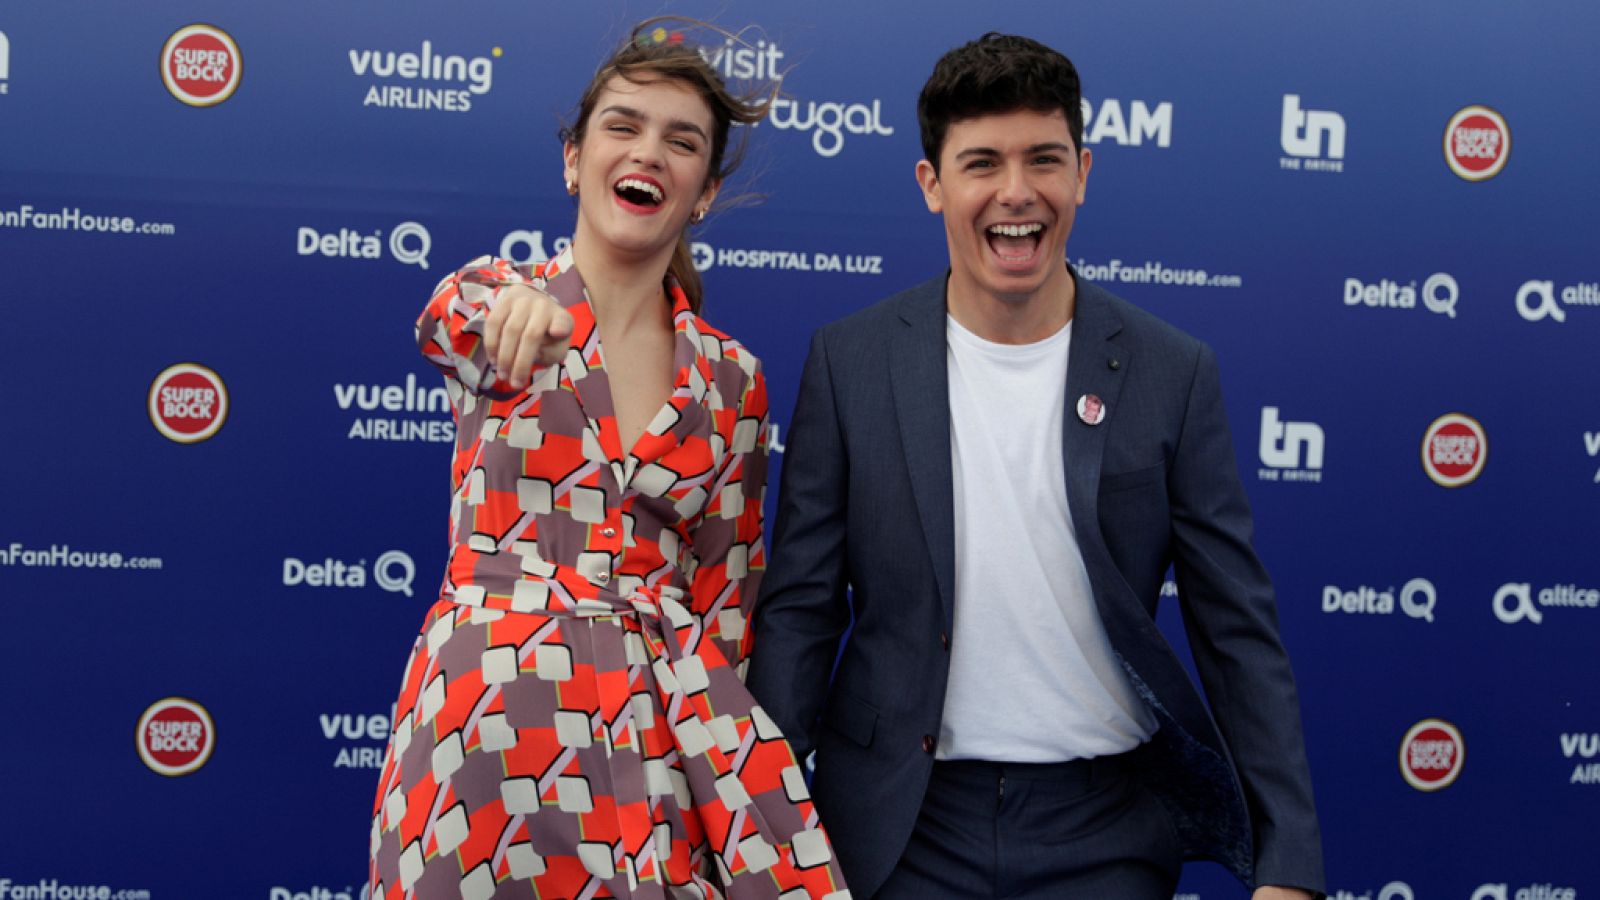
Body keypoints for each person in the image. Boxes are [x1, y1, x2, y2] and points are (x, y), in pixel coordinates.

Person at [746, 33, 1325, 899]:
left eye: (1044, 160)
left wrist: (1289, 865)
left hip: (1106, 830)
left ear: (1083, 173)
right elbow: (799, 614)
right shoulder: (849, 362)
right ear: (931, 183)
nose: (1016, 193)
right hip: (897, 826)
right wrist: (762, 831)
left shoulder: (1174, 373)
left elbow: (1235, 629)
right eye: (981, 162)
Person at [369, 20, 849, 900]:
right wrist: (510, 314)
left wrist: (721, 790)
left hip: (650, 740)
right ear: (572, 158)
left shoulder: (731, 379)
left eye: (683, 140)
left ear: (703, 193)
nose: (649, 152)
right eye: (623, 126)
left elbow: (728, 607)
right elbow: (446, 319)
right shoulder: (498, 299)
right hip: (485, 735)